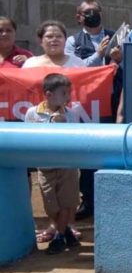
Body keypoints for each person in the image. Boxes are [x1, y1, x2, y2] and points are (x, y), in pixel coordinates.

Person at [65, 0, 122, 220]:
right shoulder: (73, 42)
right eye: (86, 12)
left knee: (111, 149)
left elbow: (127, 65)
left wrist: (119, 58)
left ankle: (113, 199)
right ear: (78, 17)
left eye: (95, 11)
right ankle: (88, 200)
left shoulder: (116, 36)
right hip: (87, 105)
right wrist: (99, 55)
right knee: (88, 151)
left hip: (112, 100)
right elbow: (75, 69)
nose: (92, 15)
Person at [24, 73, 81, 255]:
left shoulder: (71, 114)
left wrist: (65, 124)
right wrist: (50, 123)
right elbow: (28, 137)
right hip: (45, 167)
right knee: (51, 207)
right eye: (64, 93)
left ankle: (58, 237)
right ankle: (67, 233)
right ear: (48, 94)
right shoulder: (32, 113)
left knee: (66, 204)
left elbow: (76, 138)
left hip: (67, 166)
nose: (68, 97)